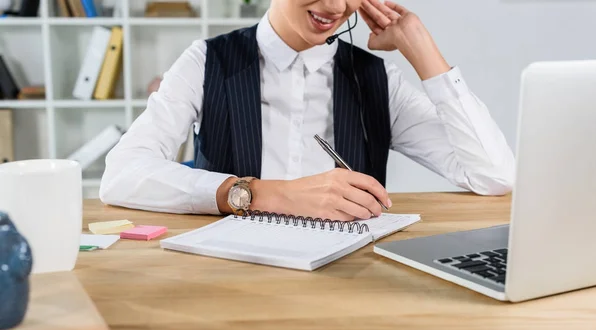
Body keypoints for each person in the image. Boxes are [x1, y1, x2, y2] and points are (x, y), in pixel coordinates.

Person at [100, 0, 515, 221]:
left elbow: (493, 176)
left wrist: (421, 48)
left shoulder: (378, 79)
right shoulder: (208, 62)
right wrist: (261, 194)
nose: (335, 6)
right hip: (228, 276)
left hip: (350, 284)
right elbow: (121, 174)